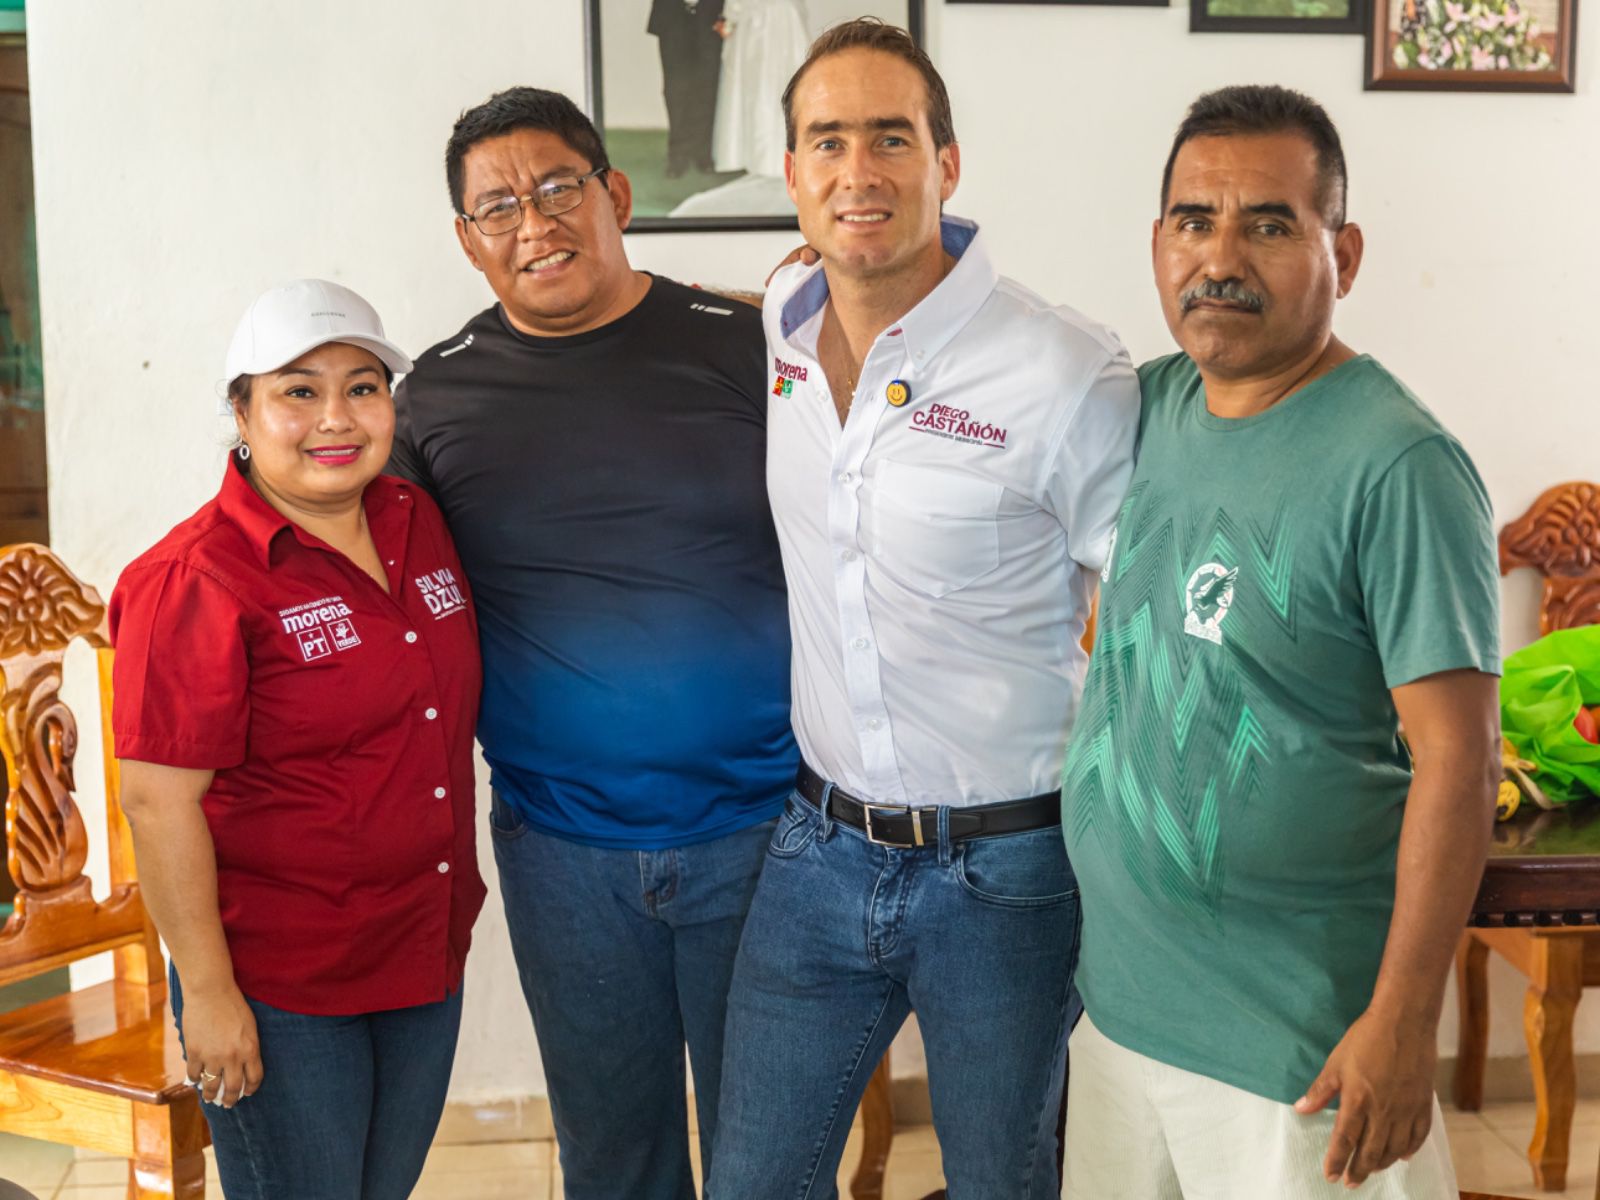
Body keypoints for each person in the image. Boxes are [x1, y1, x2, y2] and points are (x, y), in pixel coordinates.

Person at [706, 20, 1140, 1198]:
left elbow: (1144, 625)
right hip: (815, 850)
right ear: (791, 174)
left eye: (890, 138)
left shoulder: (1063, 371)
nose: (859, 171)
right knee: (750, 1182)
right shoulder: (784, 324)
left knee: (1002, 1181)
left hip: (1006, 872)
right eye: (827, 141)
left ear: (946, 162)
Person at [1060, 85, 1501, 1198]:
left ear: (1340, 253)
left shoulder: (1397, 464)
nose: (1220, 258)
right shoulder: (1148, 408)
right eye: (1193, 221)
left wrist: (1404, 1022)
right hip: (1118, 1018)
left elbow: (1459, 759)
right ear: (1156, 243)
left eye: (1267, 224)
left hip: (1297, 1052)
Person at [387, 87, 796, 1199]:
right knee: (614, 1162)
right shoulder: (430, 399)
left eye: (558, 186)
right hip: (563, 853)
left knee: (772, 1158)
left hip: (764, 832)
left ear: (614, 193)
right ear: (468, 240)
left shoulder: (748, 348)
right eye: (498, 206)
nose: (535, 223)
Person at [110, 279, 485, 1200]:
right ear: (242, 413)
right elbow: (157, 803)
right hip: (284, 985)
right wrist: (209, 995)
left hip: (421, 946)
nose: (336, 418)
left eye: (363, 387)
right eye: (298, 391)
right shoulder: (193, 579)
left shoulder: (416, 522)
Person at [710, 0, 809, 177]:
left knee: (760, 87)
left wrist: (730, 17)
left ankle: (758, 155)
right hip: (781, 21)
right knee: (771, 85)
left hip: (761, 25)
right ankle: (773, 155)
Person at [648, 0, 724, 177]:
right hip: (672, 16)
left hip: (711, 16)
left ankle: (703, 153)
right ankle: (677, 155)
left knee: (707, 89)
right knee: (676, 90)